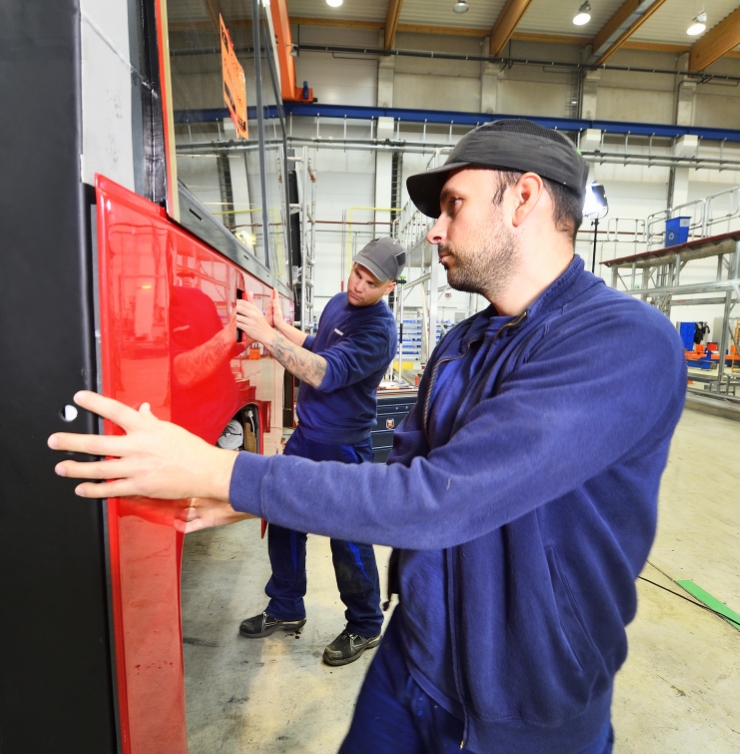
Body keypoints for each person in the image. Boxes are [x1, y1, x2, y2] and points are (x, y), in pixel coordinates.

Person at [49, 120, 687, 754]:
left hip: (521, 708)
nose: (435, 230)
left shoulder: (623, 343)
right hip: (413, 659)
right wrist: (255, 495)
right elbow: (403, 472)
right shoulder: (463, 343)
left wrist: (226, 474)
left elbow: (441, 499)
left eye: (452, 205)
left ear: (524, 198)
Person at [232, 237, 405, 666]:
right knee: (282, 517)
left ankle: (365, 625)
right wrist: (280, 327)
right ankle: (286, 606)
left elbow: (325, 373)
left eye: (371, 282)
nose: (358, 285)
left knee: (347, 537)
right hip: (308, 434)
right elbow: (316, 345)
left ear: (390, 287)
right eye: (356, 273)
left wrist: (268, 337)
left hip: (344, 444)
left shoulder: (380, 331)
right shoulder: (338, 303)